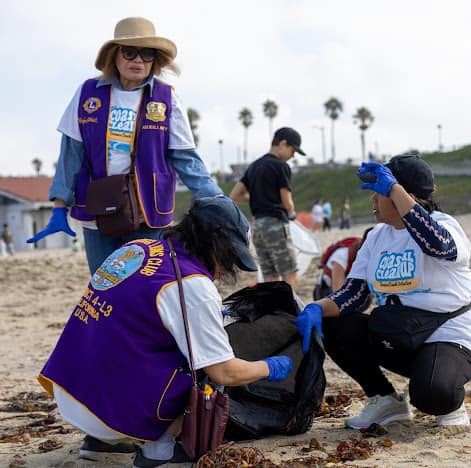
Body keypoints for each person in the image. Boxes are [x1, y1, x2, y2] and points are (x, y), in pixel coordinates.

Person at [38, 197, 293, 467]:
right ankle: (158, 452)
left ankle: (100, 442)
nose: (224, 270)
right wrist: (270, 367)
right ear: (216, 245)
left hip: (70, 388)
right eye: (230, 258)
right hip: (107, 408)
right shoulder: (192, 285)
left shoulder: (139, 247)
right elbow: (225, 372)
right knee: (204, 368)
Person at [296, 154, 471, 430]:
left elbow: (437, 245)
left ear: (403, 195)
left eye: (380, 192)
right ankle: (384, 400)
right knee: (333, 322)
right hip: (400, 334)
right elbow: (355, 294)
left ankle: (452, 403)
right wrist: (316, 308)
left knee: (432, 395)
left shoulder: (445, 225)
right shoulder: (376, 235)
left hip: (450, 335)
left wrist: (395, 190)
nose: (373, 199)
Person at [27, 17, 224, 275]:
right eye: (130, 52)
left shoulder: (167, 98)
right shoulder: (87, 93)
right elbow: (71, 155)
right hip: (99, 211)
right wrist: (59, 206)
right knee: (103, 284)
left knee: (145, 286)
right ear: (114, 55)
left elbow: (185, 158)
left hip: (148, 210)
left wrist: (216, 197)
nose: (138, 60)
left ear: (155, 60)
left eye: (147, 54)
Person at [229, 127, 306, 290]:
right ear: (283, 144)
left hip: (257, 227)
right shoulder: (281, 166)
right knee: (289, 272)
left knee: (269, 274)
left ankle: (272, 312)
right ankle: (288, 311)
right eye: (293, 151)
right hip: (276, 224)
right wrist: (292, 214)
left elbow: (234, 195)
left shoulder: (254, 167)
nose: (293, 156)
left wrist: (257, 197)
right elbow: (287, 202)